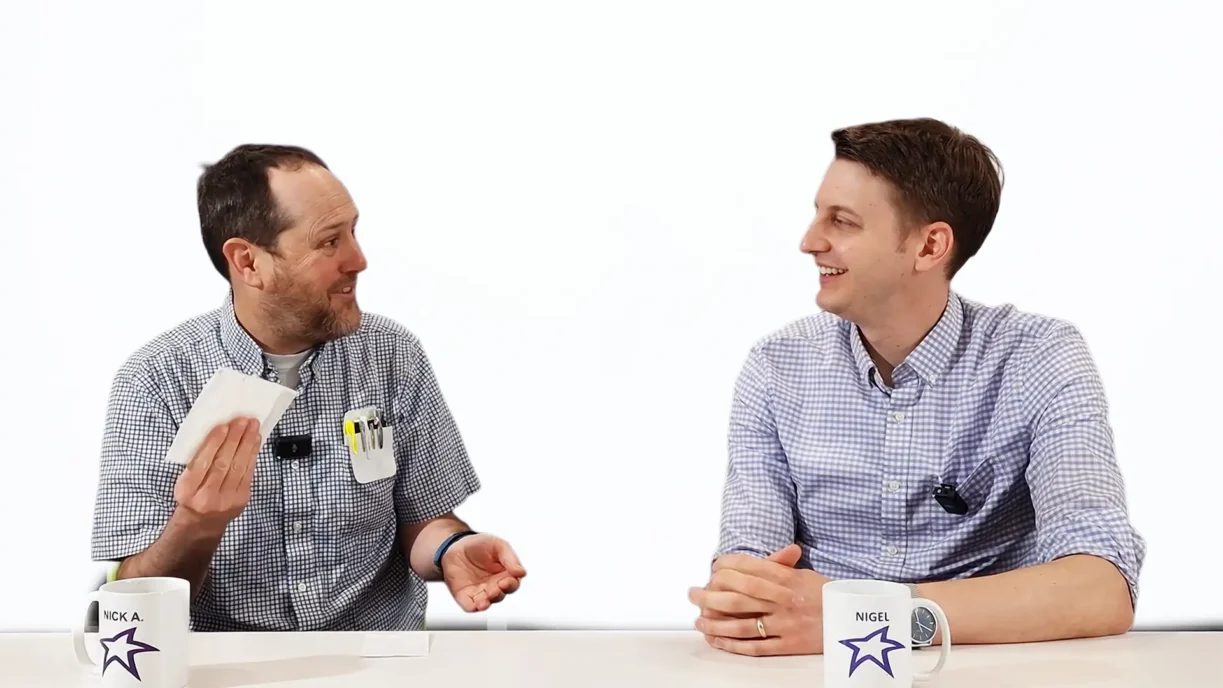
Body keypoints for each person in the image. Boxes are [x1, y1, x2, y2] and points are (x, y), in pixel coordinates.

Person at [687, 118, 1145, 656]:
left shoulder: (1038, 357)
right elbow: (747, 584)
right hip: (813, 671)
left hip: (988, 669)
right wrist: (749, 598)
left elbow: (1101, 589)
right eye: (817, 214)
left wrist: (861, 618)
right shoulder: (776, 368)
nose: (810, 242)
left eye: (843, 221)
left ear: (930, 246)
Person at [89, 144, 526, 632]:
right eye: (329, 242)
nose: (358, 260)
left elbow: (423, 519)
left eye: (354, 232)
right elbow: (130, 597)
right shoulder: (156, 380)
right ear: (248, 262)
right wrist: (197, 522)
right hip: (228, 668)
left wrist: (452, 549)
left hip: (377, 661)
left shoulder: (393, 355)